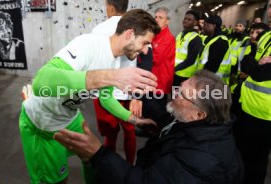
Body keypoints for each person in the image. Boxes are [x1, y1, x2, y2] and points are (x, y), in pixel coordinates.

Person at [19, 9, 160, 184]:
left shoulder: (115, 60)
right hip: (44, 122)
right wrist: (108, 76)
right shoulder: (88, 44)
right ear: (130, 34)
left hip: (70, 116)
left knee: (93, 162)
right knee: (59, 180)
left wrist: (135, 120)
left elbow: (105, 97)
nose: (146, 51)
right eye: (145, 43)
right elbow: (41, 82)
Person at [54, 70, 244, 184]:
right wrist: (139, 92)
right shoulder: (199, 123)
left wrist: (98, 154)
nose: (173, 95)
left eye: (181, 94)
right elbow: (164, 113)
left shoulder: (200, 162)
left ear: (199, 114)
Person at [91, 0, 137, 165]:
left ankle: (109, 169)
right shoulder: (135, 28)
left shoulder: (99, 29)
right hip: (128, 89)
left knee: (110, 134)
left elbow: (94, 61)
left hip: (105, 90)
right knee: (130, 131)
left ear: (109, 7)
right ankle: (130, 165)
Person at [234, 28, 271, 184]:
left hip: (265, 115)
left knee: (256, 164)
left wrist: (255, 65)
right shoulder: (267, 35)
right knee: (241, 155)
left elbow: (260, 74)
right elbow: (246, 61)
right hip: (246, 105)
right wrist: (256, 64)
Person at [132, 7, 175, 130]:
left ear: (167, 21)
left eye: (160, 17)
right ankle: (147, 129)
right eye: (155, 17)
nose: (156, 20)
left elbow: (155, 58)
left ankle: (157, 134)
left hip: (159, 83)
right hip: (151, 80)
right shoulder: (155, 35)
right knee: (147, 108)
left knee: (157, 112)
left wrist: (140, 50)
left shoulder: (168, 38)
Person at [197, 15, 231, 84]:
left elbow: (212, 66)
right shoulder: (211, 39)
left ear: (213, 26)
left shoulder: (220, 42)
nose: (203, 27)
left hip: (215, 82)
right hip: (208, 80)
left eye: (205, 25)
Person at [173, 10, 202, 85]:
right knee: (174, 95)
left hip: (186, 75)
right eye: (185, 19)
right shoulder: (180, 34)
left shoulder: (196, 38)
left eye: (189, 20)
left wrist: (174, 69)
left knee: (181, 96)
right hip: (176, 73)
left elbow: (191, 60)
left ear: (195, 23)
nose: (185, 21)